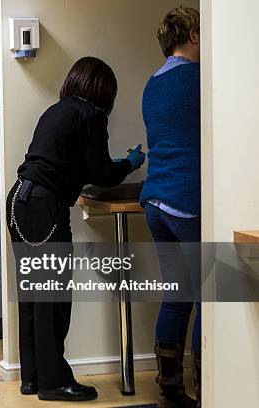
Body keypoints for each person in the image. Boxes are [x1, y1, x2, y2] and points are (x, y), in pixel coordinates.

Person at [6, 56, 146, 402]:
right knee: (53, 297)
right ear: (102, 90)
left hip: (19, 202)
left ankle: (33, 378)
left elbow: (78, 165)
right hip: (44, 206)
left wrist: (111, 165)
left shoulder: (57, 111)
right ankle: (55, 383)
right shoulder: (91, 115)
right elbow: (100, 174)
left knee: (33, 294)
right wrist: (129, 163)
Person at [140, 7, 201, 407]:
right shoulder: (199, 79)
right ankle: (210, 384)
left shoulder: (152, 83)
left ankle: (170, 385)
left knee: (177, 294)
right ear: (193, 34)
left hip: (156, 202)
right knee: (211, 298)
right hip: (187, 201)